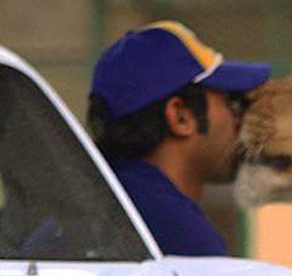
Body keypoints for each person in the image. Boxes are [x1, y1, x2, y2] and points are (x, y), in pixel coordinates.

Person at [88, 20, 270, 256]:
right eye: (230, 102)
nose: (239, 118)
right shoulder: (176, 230)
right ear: (181, 116)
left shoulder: (90, 200)